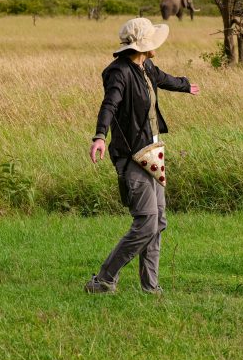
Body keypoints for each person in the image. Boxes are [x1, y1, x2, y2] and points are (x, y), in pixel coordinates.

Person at [85, 17, 199, 294]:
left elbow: (162, 78)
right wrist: (100, 136)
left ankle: (151, 287)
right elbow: (109, 104)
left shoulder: (145, 65)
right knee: (147, 221)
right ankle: (103, 280)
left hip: (153, 152)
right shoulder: (118, 73)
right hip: (131, 155)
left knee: (158, 220)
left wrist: (185, 85)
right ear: (142, 45)